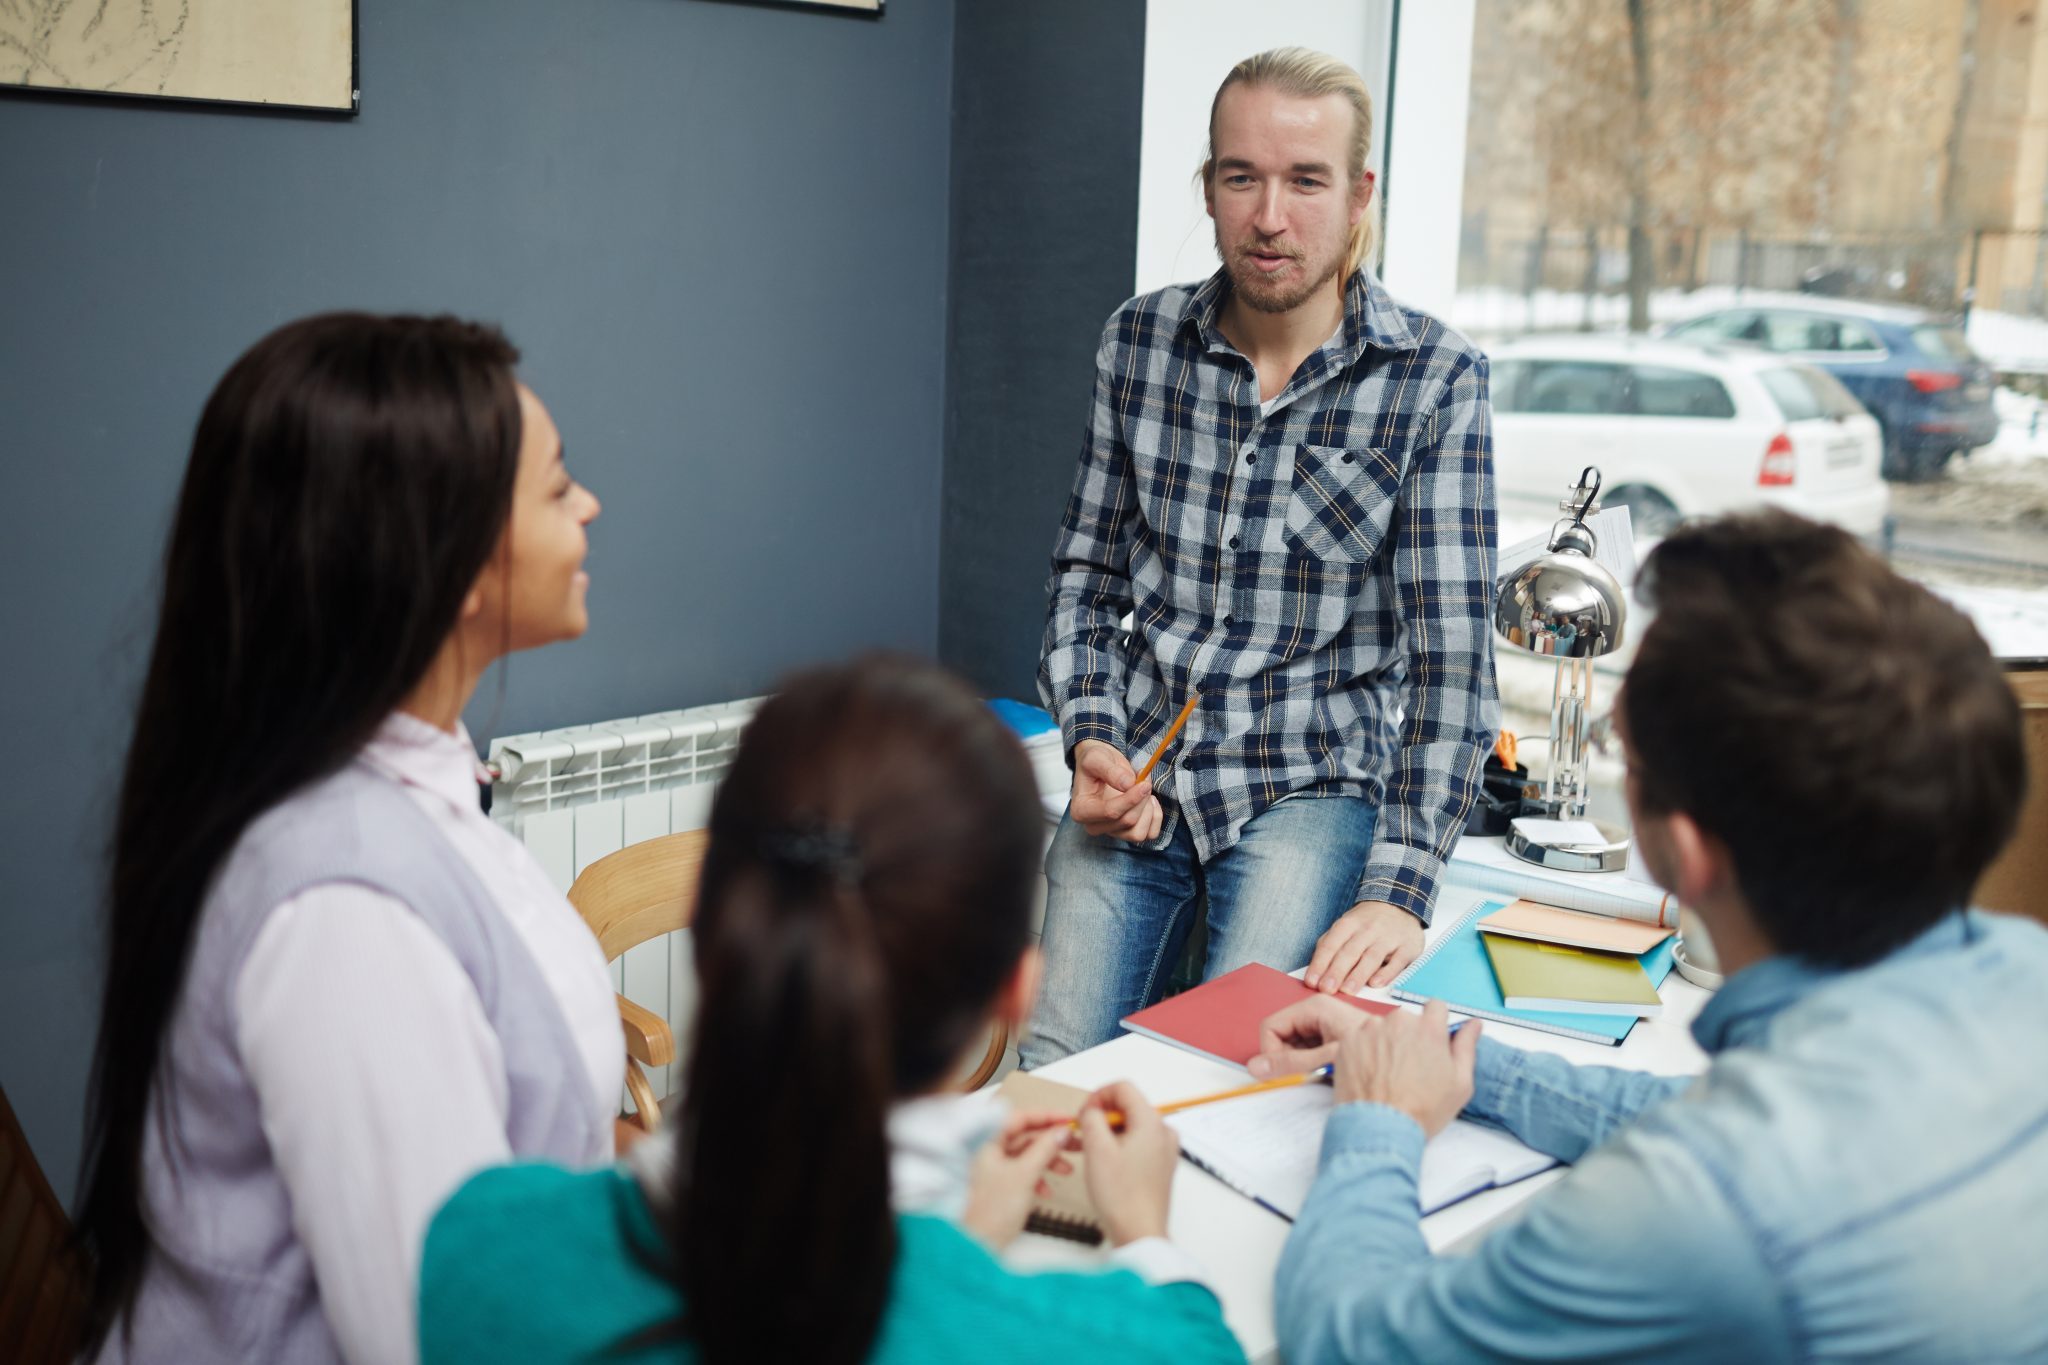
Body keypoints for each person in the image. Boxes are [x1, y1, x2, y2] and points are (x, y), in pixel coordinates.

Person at [1252, 510, 2048, 1362]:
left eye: (1622, 753)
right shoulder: (2022, 978)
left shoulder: (1689, 1206)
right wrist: (1447, 1059)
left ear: (1690, 850)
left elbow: (1355, 1342)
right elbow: (1694, 1115)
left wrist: (1379, 1122)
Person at [417, 657, 1247, 1365]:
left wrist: (958, 1239)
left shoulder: (473, 1247)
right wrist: (1145, 1229)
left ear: (709, 934)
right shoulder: (1102, 1341)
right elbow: (1198, 1343)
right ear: (1015, 989)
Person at [73, 312, 616, 1364]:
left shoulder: (421, 785)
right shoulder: (344, 913)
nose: (588, 504)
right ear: (455, 562)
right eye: (556, 486)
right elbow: (440, 1338)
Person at [1024, 46, 1498, 1067]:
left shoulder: (1435, 379)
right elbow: (1084, 581)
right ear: (1207, 189)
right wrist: (1090, 739)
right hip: (1139, 770)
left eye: (1304, 181)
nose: (1268, 216)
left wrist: (1402, 886)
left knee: (1243, 1067)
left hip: (1308, 788)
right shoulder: (1138, 344)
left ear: (1358, 193)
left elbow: (1450, 665)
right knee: (1053, 1073)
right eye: (1240, 177)